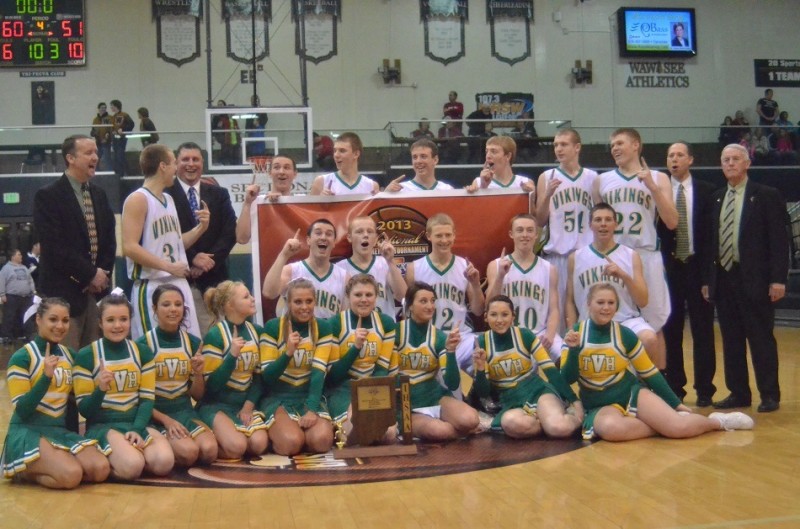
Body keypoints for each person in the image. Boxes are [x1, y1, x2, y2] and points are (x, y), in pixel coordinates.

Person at [562, 283, 754, 441]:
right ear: (588, 304)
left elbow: (650, 373)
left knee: (678, 428)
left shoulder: (624, 334)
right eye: (600, 302)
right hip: (599, 405)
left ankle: (719, 422)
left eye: (611, 303)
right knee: (612, 430)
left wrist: (676, 404)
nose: (606, 307)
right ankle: (661, 426)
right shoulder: (575, 334)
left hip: (630, 393)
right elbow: (566, 378)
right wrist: (574, 350)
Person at [706, 144, 789, 413]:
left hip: (756, 280)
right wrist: (709, 280)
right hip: (725, 278)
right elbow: (712, 244)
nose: (730, 164)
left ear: (747, 164)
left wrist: (778, 279)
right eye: (725, 160)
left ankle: (769, 394)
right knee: (731, 341)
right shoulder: (717, 198)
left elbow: (778, 240)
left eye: (735, 159)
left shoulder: (765, 195)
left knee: (761, 339)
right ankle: (738, 392)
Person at [1, 297, 110, 488]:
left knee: (100, 469)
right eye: (53, 319)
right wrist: (45, 378)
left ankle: (54, 463)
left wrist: (100, 388)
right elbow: (23, 410)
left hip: (59, 431)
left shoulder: (70, 356)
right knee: (71, 475)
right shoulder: (22, 357)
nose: (60, 326)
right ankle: (23, 471)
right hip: (28, 431)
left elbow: (84, 406)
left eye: (65, 320)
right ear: (38, 319)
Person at [594, 128, 677, 368]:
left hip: (646, 254)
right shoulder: (602, 180)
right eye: (612, 146)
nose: (615, 149)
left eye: (620, 143)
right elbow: (597, 221)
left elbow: (672, 221)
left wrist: (651, 186)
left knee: (655, 323)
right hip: (614, 257)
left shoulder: (659, 178)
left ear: (636, 145)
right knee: (614, 319)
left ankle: (660, 388)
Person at [72, 294, 175, 480]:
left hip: (136, 422)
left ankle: (128, 455)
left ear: (130, 321)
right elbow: (85, 410)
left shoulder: (142, 352)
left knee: (164, 463)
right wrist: (100, 389)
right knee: (133, 466)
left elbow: (146, 400)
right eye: (110, 320)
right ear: (100, 323)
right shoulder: (86, 355)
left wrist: (137, 429)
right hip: (104, 424)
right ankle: (107, 463)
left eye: (123, 319)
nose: (117, 325)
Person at [33, 135, 116, 352]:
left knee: (93, 363)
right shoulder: (48, 196)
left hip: (95, 293)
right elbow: (54, 247)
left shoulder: (99, 194)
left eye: (96, 152)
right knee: (64, 363)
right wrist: (90, 274)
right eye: (89, 153)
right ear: (70, 158)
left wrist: (102, 275)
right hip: (62, 293)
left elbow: (110, 239)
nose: (95, 157)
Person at [122, 144, 209, 339]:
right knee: (154, 350)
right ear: (162, 166)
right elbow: (129, 247)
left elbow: (177, 244)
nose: (176, 169)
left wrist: (201, 228)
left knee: (189, 346)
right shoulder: (138, 199)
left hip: (178, 282)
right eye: (173, 163)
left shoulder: (168, 199)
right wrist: (168, 267)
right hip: (152, 284)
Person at [471, 295, 583, 438]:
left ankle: (572, 418)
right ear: (486, 317)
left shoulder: (525, 335)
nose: (499, 320)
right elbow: (483, 391)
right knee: (510, 422)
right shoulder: (482, 342)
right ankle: (544, 422)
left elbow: (551, 371)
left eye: (505, 314)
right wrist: (480, 369)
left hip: (536, 391)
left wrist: (574, 400)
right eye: (494, 315)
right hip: (509, 401)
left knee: (558, 428)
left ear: (513, 317)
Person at [658, 143, 717, 407]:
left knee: (703, 331)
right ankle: (675, 388)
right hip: (668, 269)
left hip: (697, 268)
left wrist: (709, 277)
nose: (674, 159)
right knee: (671, 331)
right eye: (670, 155)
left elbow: (711, 239)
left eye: (680, 155)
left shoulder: (706, 191)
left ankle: (705, 389)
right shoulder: (658, 190)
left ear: (690, 159)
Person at [566, 203, 661, 366]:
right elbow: (569, 300)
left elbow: (643, 300)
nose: (603, 223)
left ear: (615, 224)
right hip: (590, 322)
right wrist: (571, 328)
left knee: (650, 338)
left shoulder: (631, 255)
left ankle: (642, 385)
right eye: (598, 220)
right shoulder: (576, 257)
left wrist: (623, 275)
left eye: (608, 219)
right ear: (590, 225)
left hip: (625, 319)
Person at [135, 284, 218, 467]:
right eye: (166, 305)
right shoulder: (142, 345)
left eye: (178, 304)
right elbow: (138, 399)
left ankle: (173, 446)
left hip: (185, 411)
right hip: (156, 415)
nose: (173, 309)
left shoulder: (193, 342)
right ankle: (157, 444)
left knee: (209, 451)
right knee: (189, 453)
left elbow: (197, 395)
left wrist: (198, 373)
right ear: (155, 309)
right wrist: (166, 420)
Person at [390, 282, 479, 441]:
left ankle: (457, 428)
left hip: (434, 396)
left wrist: (451, 351)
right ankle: (454, 431)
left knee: (471, 419)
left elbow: (452, 383)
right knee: (441, 431)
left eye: (432, 301)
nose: (430, 306)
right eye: (423, 301)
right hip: (405, 404)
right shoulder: (395, 333)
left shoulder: (439, 337)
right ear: (410, 306)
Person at [165, 142, 238, 337]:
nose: (191, 164)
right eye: (185, 159)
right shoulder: (164, 195)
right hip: (177, 280)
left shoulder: (219, 194)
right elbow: (166, 236)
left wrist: (207, 261)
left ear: (202, 163)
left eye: (195, 159)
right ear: (175, 163)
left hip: (214, 281)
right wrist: (192, 258)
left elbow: (230, 232)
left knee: (218, 340)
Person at [260, 279, 334, 455]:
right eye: (298, 302)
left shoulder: (323, 328)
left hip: (308, 396)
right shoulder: (272, 327)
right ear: (287, 303)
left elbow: (318, 373)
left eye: (309, 301)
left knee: (322, 441)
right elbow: (267, 377)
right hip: (278, 397)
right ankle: (282, 432)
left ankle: (299, 432)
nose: (304, 307)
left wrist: (312, 409)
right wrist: (287, 353)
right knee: (291, 443)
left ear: (315, 302)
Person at [535, 128, 597, 331]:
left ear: (577, 147)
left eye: (564, 144)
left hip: (585, 255)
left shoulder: (592, 178)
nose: (558, 149)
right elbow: (540, 220)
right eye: (555, 145)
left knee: (589, 312)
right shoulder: (547, 176)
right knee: (560, 317)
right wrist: (547, 195)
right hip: (557, 255)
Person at [197, 281, 268, 459]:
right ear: (230, 305)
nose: (252, 299)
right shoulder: (215, 335)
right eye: (246, 297)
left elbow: (260, 377)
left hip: (243, 405)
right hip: (216, 405)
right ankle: (207, 444)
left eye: (250, 295)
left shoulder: (257, 331)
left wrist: (248, 406)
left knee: (259, 444)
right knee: (237, 447)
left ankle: (228, 437)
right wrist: (232, 356)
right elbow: (211, 387)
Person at [405, 213, 484, 373]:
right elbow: (409, 311)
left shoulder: (464, 265)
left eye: (448, 235)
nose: (444, 240)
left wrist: (475, 285)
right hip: (429, 340)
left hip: (461, 338)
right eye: (439, 235)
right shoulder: (415, 268)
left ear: (454, 235)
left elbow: (478, 310)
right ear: (428, 236)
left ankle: (481, 396)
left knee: (484, 351)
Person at [325, 275, 397, 440]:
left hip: (374, 388)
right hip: (342, 390)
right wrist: (355, 347)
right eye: (358, 295)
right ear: (348, 296)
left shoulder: (386, 323)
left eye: (369, 295)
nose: (364, 299)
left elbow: (381, 370)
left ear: (376, 297)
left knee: (389, 434)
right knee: (351, 434)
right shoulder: (335, 323)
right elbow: (333, 377)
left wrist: (368, 397)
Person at [485, 215, 563, 362]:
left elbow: (554, 309)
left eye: (529, 230)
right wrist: (500, 276)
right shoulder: (496, 265)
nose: (525, 235)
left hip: (540, 333)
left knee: (567, 357)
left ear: (536, 235)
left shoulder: (549, 269)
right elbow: (488, 304)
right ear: (511, 234)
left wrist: (550, 335)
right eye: (520, 230)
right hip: (506, 334)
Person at [262, 219, 349, 319]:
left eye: (328, 234)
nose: (323, 237)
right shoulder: (292, 270)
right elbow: (268, 292)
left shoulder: (344, 276)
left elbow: (345, 319)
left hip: (329, 334)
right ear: (308, 240)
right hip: (297, 333)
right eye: (318, 233)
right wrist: (284, 255)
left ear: (334, 242)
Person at [335, 216, 406, 320]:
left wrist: (390, 262)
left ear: (376, 239)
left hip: (385, 331)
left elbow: (403, 297)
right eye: (359, 232)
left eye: (370, 231)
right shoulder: (339, 268)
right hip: (354, 332)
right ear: (349, 238)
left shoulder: (385, 264)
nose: (365, 235)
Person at [236, 154, 298, 245]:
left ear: (295, 174)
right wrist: (247, 203)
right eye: (276, 167)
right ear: (270, 173)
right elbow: (242, 239)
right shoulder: (256, 202)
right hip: (266, 258)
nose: (281, 171)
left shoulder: (303, 202)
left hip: (297, 258)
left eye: (286, 167)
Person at [310, 132, 379, 195]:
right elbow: (308, 209)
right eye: (334, 151)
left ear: (356, 154)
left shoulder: (371, 186)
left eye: (342, 151)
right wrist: (320, 203)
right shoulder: (321, 182)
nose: (336, 155)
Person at [467, 136, 535, 193]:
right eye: (486, 151)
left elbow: (533, 209)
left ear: (508, 156)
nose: (488, 156)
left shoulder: (526, 182)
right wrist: (483, 188)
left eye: (493, 151)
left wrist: (531, 196)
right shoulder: (478, 182)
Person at [385, 139, 454, 192]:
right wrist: (385, 195)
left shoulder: (447, 190)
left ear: (435, 160)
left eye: (423, 156)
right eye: (415, 157)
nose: (418, 161)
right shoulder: (400, 189)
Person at [0, 249, 36, 344]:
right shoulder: (6, 268)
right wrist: (2, 294)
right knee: (9, 317)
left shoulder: (24, 267)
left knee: (27, 317)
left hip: (26, 297)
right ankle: (6, 337)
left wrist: (33, 290)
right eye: (19, 255)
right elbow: (1, 281)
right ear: (13, 257)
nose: (21, 256)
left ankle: (28, 336)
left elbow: (30, 280)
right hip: (12, 296)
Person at [109, 99, 134, 177]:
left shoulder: (124, 115)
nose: (111, 108)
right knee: (116, 156)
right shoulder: (113, 117)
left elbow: (131, 124)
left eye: (112, 106)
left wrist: (123, 130)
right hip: (115, 138)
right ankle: (118, 173)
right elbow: (113, 127)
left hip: (121, 138)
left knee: (120, 155)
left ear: (116, 106)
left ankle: (121, 173)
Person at [90, 102, 112, 171]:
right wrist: (93, 133)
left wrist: (107, 135)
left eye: (105, 108)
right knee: (96, 158)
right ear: (98, 109)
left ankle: (109, 172)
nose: (103, 109)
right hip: (98, 141)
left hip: (106, 141)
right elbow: (93, 130)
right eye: (102, 108)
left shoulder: (109, 118)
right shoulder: (95, 119)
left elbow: (110, 129)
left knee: (107, 158)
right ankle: (96, 172)